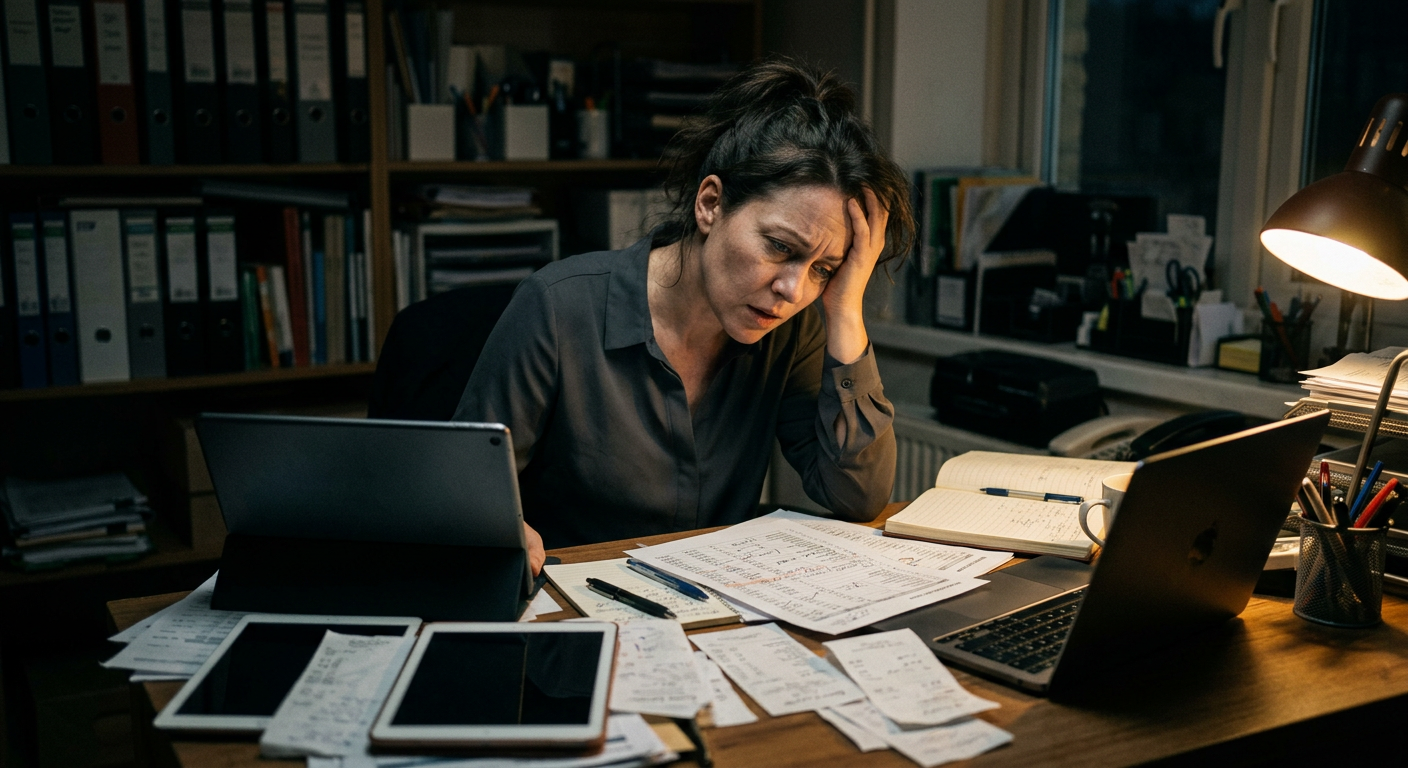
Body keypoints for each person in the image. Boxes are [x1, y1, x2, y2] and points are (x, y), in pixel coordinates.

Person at [454, 58, 916, 574]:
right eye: (780, 247)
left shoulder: (795, 327)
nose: (792, 289)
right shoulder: (558, 307)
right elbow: (462, 498)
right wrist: (498, 526)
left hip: (723, 611)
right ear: (711, 204)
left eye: (823, 268)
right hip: (579, 607)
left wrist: (846, 308)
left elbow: (857, 497)